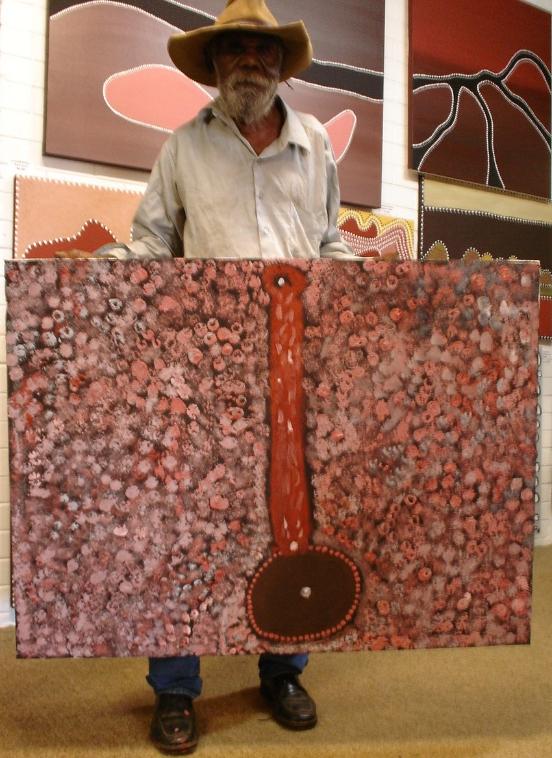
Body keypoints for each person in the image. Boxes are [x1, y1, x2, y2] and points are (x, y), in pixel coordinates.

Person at [61, 0, 354, 752]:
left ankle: (283, 669)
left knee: (291, 516)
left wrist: (375, 289)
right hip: (204, 371)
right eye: (235, 49)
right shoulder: (182, 148)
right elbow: (152, 243)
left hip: (291, 366)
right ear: (215, 64)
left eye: (264, 49)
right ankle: (175, 686)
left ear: (281, 63)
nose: (250, 60)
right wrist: (85, 278)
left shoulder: (315, 145)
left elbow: (328, 243)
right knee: (186, 523)